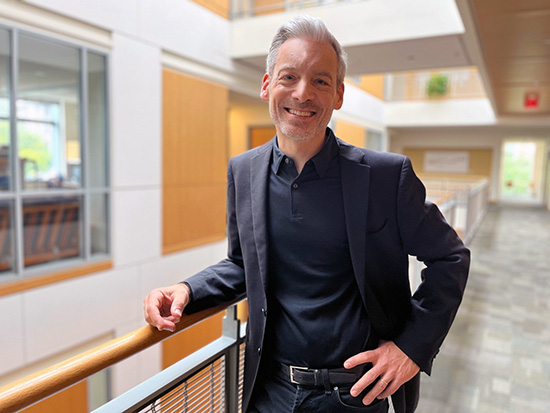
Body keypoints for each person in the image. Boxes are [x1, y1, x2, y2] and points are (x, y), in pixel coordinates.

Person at [144, 16, 469, 413]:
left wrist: (410, 349)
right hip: (270, 391)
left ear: (339, 95)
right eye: (289, 77)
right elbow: (243, 265)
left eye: (320, 80)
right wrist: (188, 290)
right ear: (267, 86)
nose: (303, 93)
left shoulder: (386, 176)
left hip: (355, 395)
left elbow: (450, 257)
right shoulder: (243, 171)